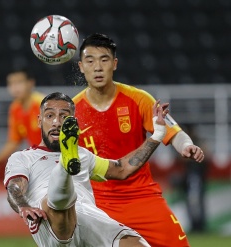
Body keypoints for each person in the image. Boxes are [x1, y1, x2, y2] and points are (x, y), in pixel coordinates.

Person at [72, 33, 205, 247]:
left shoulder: (139, 99)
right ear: (81, 66)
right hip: (98, 204)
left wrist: (187, 145)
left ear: (114, 64)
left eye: (104, 60)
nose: (97, 67)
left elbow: (174, 132)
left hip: (142, 198)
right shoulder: (72, 112)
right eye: (90, 61)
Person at [4, 92, 169, 247]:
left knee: (135, 243)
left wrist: (158, 134)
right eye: (50, 116)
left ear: (73, 121)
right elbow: (15, 187)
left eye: (64, 116)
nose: (57, 122)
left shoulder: (83, 155)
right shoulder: (23, 157)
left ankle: (66, 161)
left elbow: (121, 169)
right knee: (57, 202)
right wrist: (23, 206)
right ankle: (64, 166)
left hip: (89, 217)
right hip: (50, 219)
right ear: (39, 121)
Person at [0, 68, 44, 185]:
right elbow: (14, 141)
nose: (15, 88)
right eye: (11, 83)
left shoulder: (43, 105)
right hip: (39, 164)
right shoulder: (15, 109)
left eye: (19, 82)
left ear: (30, 83)